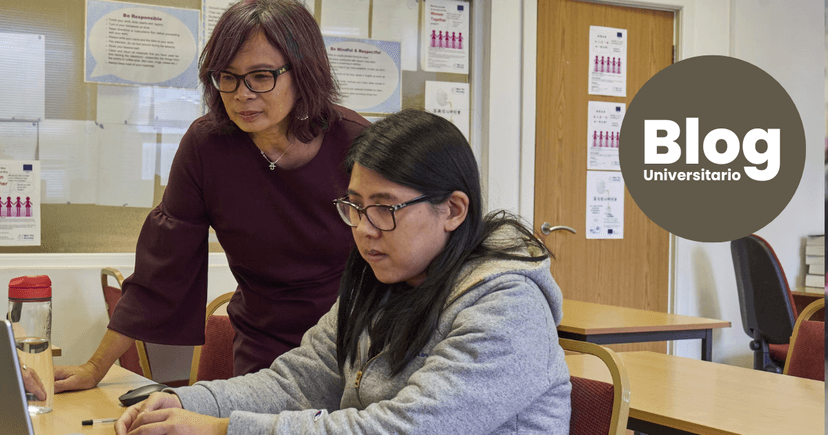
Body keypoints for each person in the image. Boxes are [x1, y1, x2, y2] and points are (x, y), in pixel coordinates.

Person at [115, 109, 571, 435]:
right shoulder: (380, 283)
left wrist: (220, 429)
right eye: (354, 207)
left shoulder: (508, 306)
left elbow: (403, 428)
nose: (365, 230)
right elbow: (297, 382)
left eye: (386, 209)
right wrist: (180, 402)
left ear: (452, 209)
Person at [54, 0, 369, 392]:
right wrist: (94, 368)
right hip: (263, 346)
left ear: (303, 71)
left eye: (261, 76)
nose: (242, 94)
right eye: (228, 77)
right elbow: (162, 269)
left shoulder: (358, 143)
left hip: (355, 341)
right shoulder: (208, 146)